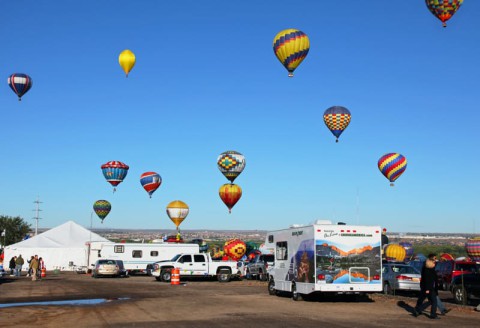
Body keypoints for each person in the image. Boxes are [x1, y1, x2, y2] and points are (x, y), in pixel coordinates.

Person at [414, 254, 439, 319]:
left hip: (429, 288)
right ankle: (432, 314)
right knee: (434, 301)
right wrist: (427, 289)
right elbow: (428, 281)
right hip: (429, 288)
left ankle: (418, 309)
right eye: (434, 260)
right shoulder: (428, 271)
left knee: (430, 301)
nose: (435, 262)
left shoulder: (430, 269)